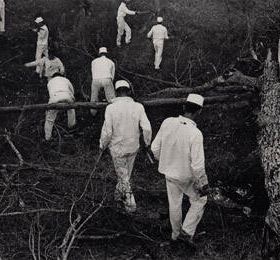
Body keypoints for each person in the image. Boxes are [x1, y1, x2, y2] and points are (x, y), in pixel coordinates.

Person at [151, 94, 210, 244]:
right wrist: (203, 184)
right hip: (186, 176)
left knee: (174, 204)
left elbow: (154, 147)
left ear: (184, 107)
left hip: (168, 172)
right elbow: (197, 165)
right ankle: (187, 232)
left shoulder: (167, 122)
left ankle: (175, 235)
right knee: (200, 199)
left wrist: (164, 159)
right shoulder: (195, 133)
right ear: (200, 112)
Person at [100, 80, 152, 212]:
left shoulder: (111, 108)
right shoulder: (138, 107)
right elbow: (147, 128)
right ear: (129, 91)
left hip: (117, 148)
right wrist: (147, 143)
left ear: (117, 93)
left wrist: (102, 145)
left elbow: (107, 131)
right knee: (125, 175)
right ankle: (117, 197)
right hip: (133, 146)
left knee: (124, 177)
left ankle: (131, 207)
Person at [44, 72, 76, 141]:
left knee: (49, 118)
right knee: (71, 110)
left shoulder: (50, 82)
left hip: (54, 97)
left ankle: (47, 137)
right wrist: (72, 99)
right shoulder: (65, 80)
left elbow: (50, 93)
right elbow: (72, 91)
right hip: (66, 96)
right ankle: (71, 127)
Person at [90, 47, 116, 116]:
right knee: (111, 98)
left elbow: (93, 72)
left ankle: (93, 113)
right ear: (106, 54)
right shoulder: (111, 62)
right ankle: (114, 112)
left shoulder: (94, 61)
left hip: (95, 79)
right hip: (107, 78)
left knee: (94, 98)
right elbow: (112, 76)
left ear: (99, 54)